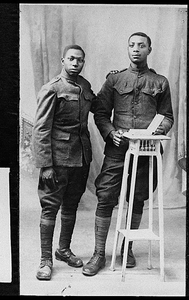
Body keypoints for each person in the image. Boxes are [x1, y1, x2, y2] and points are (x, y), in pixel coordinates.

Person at [82, 32, 174, 276]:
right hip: (117, 149)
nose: (136, 49)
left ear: (149, 50)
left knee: (138, 197)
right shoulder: (114, 80)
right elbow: (100, 113)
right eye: (132, 45)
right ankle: (99, 253)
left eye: (141, 46)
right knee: (105, 196)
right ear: (127, 49)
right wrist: (111, 133)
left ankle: (127, 248)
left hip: (146, 152)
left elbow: (168, 117)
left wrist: (156, 132)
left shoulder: (160, 82)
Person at [32, 44, 97, 280]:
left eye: (80, 60)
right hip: (57, 159)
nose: (75, 63)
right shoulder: (52, 88)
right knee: (50, 207)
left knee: (71, 206)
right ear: (62, 60)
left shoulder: (85, 86)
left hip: (81, 159)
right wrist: (46, 164)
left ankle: (63, 250)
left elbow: (97, 106)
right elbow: (41, 129)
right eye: (71, 59)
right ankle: (45, 260)